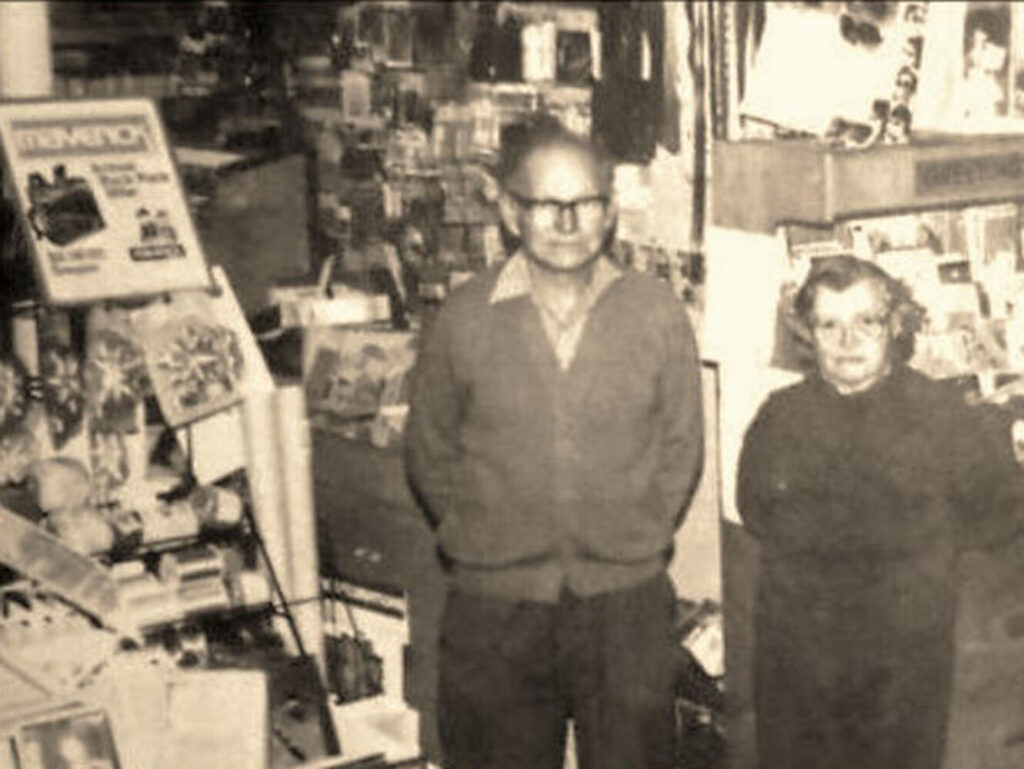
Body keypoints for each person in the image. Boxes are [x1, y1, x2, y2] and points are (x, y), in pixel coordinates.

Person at [405, 116, 704, 769]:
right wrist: (486, 542)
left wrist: (633, 536)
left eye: (585, 203)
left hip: (624, 606)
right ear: (511, 212)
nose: (567, 222)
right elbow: (430, 451)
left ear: (610, 212)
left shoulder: (655, 311)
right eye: (546, 204)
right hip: (495, 608)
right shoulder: (464, 317)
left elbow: (681, 447)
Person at [737, 256, 1024, 769]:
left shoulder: (945, 416)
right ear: (808, 334)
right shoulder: (780, 417)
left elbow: (1000, 514)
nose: (847, 341)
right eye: (829, 325)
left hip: (901, 664)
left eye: (865, 321)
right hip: (799, 661)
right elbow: (754, 508)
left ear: (894, 324)